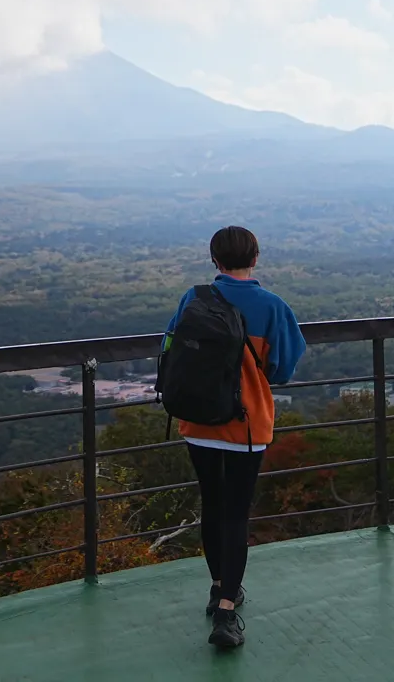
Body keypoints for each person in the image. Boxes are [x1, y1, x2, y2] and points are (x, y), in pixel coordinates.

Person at [162, 225, 305, 650]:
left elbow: (171, 344)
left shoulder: (195, 298)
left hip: (198, 423)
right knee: (236, 513)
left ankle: (218, 585)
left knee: (211, 504)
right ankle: (227, 610)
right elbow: (282, 367)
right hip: (246, 427)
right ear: (255, 258)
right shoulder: (272, 306)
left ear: (215, 260)